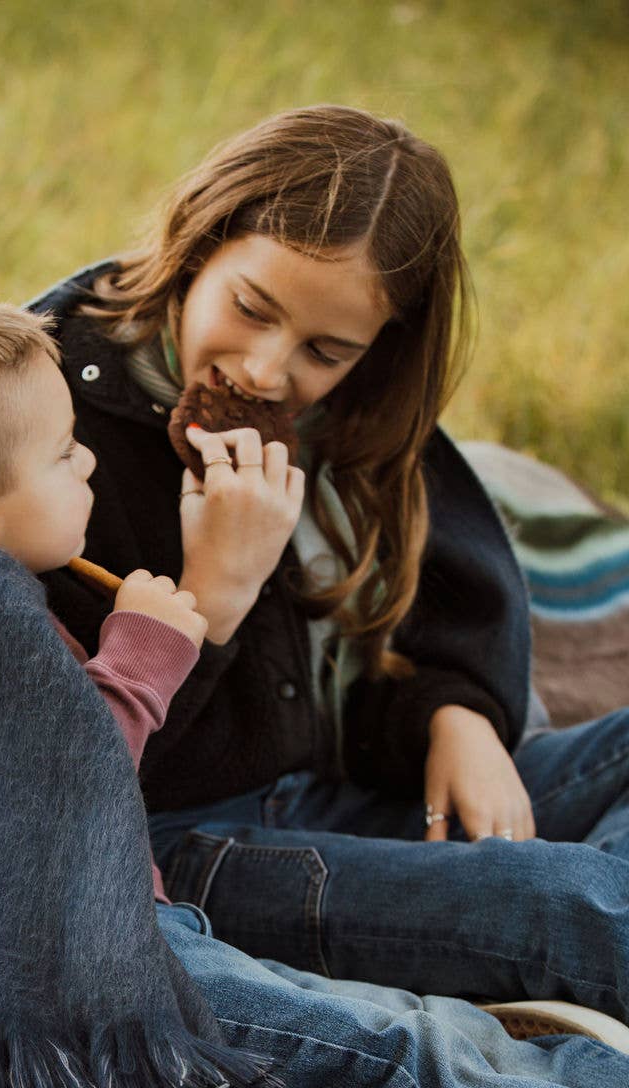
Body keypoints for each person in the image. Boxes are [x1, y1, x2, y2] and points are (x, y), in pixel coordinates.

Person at [0, 291, 629, 1088]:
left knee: (409, 1034)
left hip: (147, 912)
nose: (88, 457)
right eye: (64, 455)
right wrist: (147, 655)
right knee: (404, 1055)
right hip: (108, 964)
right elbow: (54, 814)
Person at [34, 103, 629, 1024]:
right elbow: (64, 777)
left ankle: (499, 958)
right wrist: (215, 594)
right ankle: (518, 965)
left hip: (335, 793)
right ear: (199, 246)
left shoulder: (356, 420)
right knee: (566, 906)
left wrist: (456, 714)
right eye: (250, 309)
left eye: (326, 350)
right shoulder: (47, 433)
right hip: (181, 845)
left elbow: (434, 613)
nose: (269, 373)